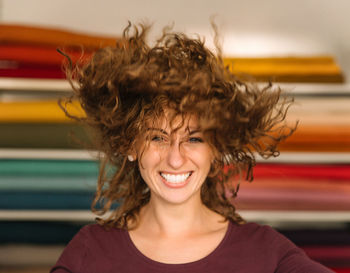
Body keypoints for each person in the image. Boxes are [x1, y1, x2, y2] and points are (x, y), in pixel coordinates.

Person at [51, 23, 333, 272]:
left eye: (194, 139)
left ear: (217, 149)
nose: (175, 159)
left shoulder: (266, 253)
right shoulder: (89, 252)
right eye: (157, 138)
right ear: (130, 145)